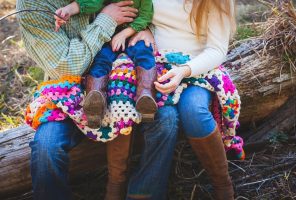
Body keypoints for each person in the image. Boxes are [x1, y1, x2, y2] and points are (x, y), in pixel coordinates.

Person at [16, 0, 178, 200]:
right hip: (68, 92)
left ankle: (143, 194)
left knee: (167, 119)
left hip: (125, 77)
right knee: (46, 147)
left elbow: (148, 8)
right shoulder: (34, 6)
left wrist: (148, 30)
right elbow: (66, 67)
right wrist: (106, 19)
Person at [127, 0, 237, 199]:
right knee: (163, 116)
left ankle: (223, 185)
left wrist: (184, 71)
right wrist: (145, 29)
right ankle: (146, 193)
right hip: (155, 63)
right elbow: (137, 11)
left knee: (194, 110)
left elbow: (217, 50)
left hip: (197, 68)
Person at [54, 0, 157, 128]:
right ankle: (95, 102)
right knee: (100, 59)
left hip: (133, 35)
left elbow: (145, 16)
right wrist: (69, 9)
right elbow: (92, 3)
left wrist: (124, 34)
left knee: (144, 53)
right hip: (109, 36)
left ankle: (146, 96)